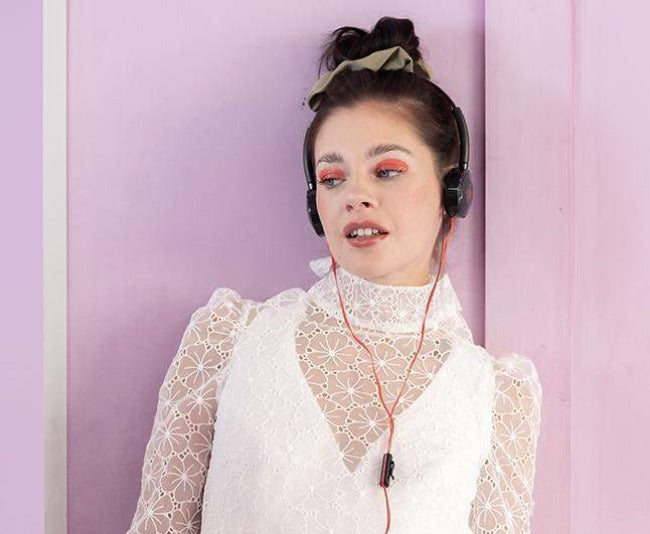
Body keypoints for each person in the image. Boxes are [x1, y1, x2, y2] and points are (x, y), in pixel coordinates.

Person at [126, 16, 543, 534]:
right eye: (331, 178)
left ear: (452, 189)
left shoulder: (497, 396)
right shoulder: (227, 340)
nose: (356, 196)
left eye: (387, 171)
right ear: (314, 203)